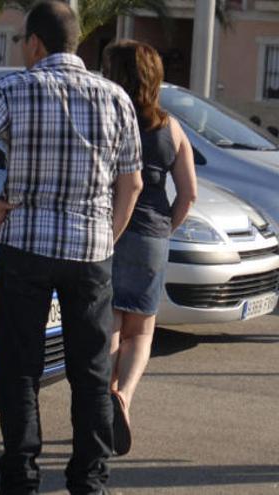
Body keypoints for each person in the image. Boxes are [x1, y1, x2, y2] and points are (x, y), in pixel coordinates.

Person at [0, 2, 144, 494]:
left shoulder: (14, 88)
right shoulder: (115, 97)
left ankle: (19, 478)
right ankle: (90, 481)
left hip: (26, 250)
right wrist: (107, 238)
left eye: (21, 42)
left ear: (35, 42)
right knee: (93, 372)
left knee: (21, 369)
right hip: (91, 253)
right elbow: (133, 184)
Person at [102, 40, 197, 456]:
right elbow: (189, 194)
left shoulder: (105, 118)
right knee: (141, 330)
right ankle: (124, 396)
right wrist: (165, 230)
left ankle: (97, 402)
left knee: (109, 324)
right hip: (152, 235)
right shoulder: (171, 127)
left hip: (106, 230)